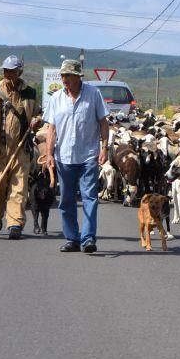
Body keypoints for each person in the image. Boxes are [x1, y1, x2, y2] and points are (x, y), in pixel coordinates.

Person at [43, 59, 109, 253]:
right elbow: (51, 129)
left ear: (78, 76)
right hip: (64, 156)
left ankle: (88, 239)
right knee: (66, 199)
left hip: (88, 154)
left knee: (90, 197)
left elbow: (103, 122)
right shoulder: (56, 98)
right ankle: (72, 238)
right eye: (63, 75)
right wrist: (49, 154)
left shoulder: (93, 94)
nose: (64, 79)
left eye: (68, 75)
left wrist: (104, 147)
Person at [0, 55, 42, 240]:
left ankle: (15, 223)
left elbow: (37, 115)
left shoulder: (30, 93)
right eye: (5, 70)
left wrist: (37, 122)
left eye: (12, 70)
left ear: (19, 72)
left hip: (20, 149)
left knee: (19, 188)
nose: (7, 73)